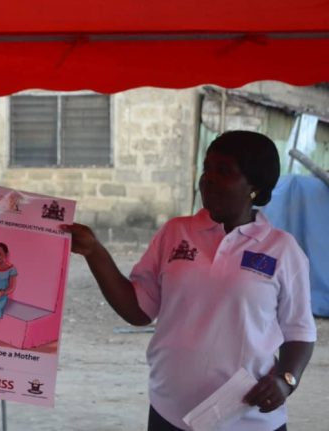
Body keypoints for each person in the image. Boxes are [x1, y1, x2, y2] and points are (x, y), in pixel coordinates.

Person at [62, 131, 316, 431]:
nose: (208, 179)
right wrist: (94, 252)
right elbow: (138, 310)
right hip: (171, 412)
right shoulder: (176, 233)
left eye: (224, 171)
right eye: (207, 168)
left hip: (248, 419)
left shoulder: (281, 250)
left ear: (255, 186)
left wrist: (286, 381)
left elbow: (299, 330)